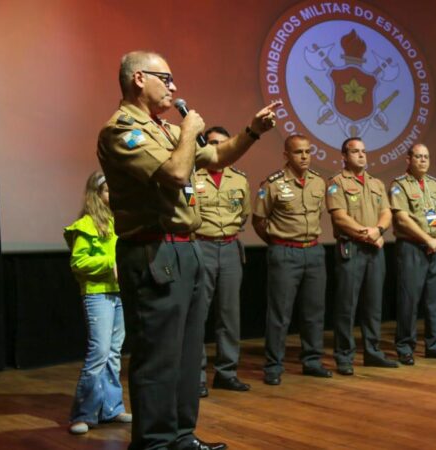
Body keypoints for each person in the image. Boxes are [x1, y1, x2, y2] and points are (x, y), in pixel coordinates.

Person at [98, 50, 278, 450]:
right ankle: (154, 443)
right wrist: (186, 132)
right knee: (159, 357)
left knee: (185, 353)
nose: (175, 87)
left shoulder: (161, 129)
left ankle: (180, 436)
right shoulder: (123, 130)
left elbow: (214, 156)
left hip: (185, 248)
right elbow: (176, 173)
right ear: (140, 79)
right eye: (168, 78)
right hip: (152, 251)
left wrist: (251, 131)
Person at [253, 135, 332, 386]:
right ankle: (274, 365)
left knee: (314, 312)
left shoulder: (319, 182)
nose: (305, 156)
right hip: (285, 252)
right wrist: (278, 243)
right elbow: (259, 221)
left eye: (308, 151)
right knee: (280, 314)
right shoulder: (273, 184)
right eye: (299, 152)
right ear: (286, 155)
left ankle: (312, 361)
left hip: (314, 251)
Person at [64, 171, 131, 435]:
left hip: (119, 293)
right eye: (107, 190)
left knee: (114, 353)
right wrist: (110, 264)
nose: (112, 195)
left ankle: (112, 408)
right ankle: (83, 413)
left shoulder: (120, 222)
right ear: (96, 193)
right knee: (99, 353)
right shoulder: (86, 225)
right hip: (97, 294)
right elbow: (78, 263)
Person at [326, 137, 398, 375]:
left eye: (364, 151)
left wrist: (379, 230)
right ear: (344, 156)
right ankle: (344, 356)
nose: (361, 156)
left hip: (375, 249)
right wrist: (367, 234)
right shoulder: (336, 183)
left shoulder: (376, 183)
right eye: (355, 152)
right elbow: (339, 217)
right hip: (352, 249)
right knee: (347, 306)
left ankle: (372, 351)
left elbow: (386, 212)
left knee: (373, 305)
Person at [195, 126, 252, 397]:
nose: (217, 149)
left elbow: (244, 215)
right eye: (212, 143)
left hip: (230, 247)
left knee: (229, 316)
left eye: (222, 144)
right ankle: (196, 378)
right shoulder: (193, 175)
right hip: (200, 246)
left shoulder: (239, 179)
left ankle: (226, 373)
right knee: (198, 315)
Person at [390, 144, 436, 365]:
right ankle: (405, 347)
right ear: (408, 159)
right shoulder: (399, 186)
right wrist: (427, 239)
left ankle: (434, 345)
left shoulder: (434, 184)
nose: (423, 160)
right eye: (418, 157)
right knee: (409, 300)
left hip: (435, 247)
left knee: (435, 300)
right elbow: (402, 219)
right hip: (412, 248)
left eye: (426, 157)